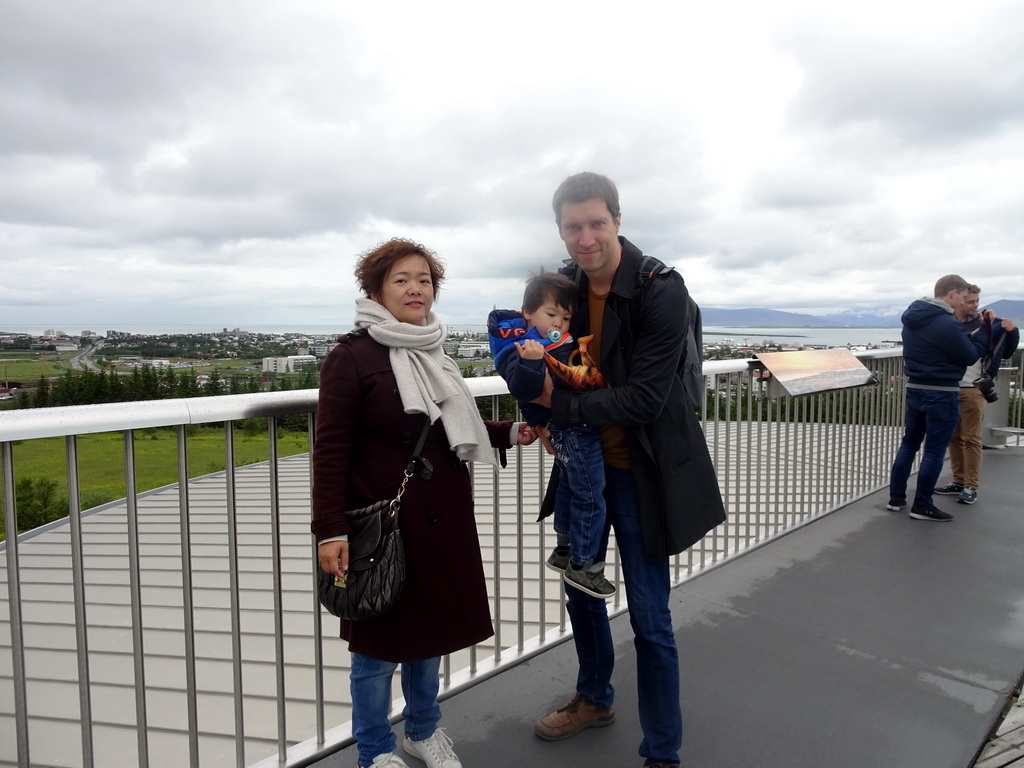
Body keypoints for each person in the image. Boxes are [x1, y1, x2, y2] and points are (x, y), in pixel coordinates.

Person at [312, 238, 535, 768]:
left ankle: (423, 730)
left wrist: (509, 432)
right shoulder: (351, 357)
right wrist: (330, 529)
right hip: (386, 527)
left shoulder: (433, 349)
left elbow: (446, 426)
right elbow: (330, 450)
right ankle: (373, 748)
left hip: (442, 520)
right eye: (401, 279)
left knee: (429, 636)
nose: (416, 289)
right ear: (375, 289)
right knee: (375, 651)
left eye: (424, 280)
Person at [531, 172, 726, 768]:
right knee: (581, 593)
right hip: (584, 473)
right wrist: (538, 412)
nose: (585, 237)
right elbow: (538, 359)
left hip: (642, 473)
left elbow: (645, 398)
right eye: (572, 226)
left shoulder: (657, 287)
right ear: (560, 231)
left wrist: (558, 409)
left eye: (595, 223)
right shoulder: (562, 290)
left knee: (649, 616)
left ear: (617, 219)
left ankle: (662, 751)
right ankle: (595, 698)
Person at [488, 272, 615, 598]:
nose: (559, 322)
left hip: (567, 424)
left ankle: (563, 548)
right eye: (551, 314)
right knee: (591, 493)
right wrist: (532, 361)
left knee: (573, 486)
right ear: (527, 312)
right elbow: (523, 389)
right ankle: (583, 563)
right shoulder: (522, 347)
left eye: (566, 316)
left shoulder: (549, 341)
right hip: (569, 427)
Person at [886, 274, 991, 522]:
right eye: (964, 297)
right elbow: (968, 356)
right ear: (953, 293)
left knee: (909, 444)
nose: (964, 302)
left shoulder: (913, 319)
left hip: (915, 388)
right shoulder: (946, 323)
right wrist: (982, 332)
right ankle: (922, 505)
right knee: (933, 450)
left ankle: (896, 498)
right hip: (942, 392)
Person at [934, 284, 1019, 505]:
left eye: (976, 301)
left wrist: (1012, 331)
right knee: (955, 437)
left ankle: (971, 485)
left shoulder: (987, 324)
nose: (975, 306)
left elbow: (1006, 351)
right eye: (970, 301)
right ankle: (959, 481)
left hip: (973, 388)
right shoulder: (949, 324)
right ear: (960, 300)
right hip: (951, 387)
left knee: (972, 438)